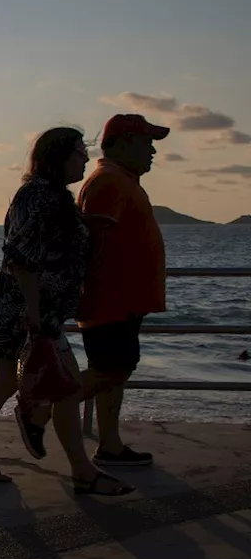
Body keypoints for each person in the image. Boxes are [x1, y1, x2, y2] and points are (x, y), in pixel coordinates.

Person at [0, 127, 134, 496]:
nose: (85, 158)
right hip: (27, 311)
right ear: (57, 156)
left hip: (18, 307)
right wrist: (37, 315)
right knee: (66, 388)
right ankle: (81, 471)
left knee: (5, 382)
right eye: (77, 152)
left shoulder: (47, 196)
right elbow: (21, 259)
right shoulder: (42, 198)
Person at [75, 114, 169, 468]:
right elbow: (95, 246)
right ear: (124, 143)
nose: (153, 151)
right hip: (110, 299)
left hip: (123, 299)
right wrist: (98, 297)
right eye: (147, 143)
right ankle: (41, 406)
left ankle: (109, 443)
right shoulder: (108, 182)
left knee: (114, 370)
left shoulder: (121, 180)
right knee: (113, 369)